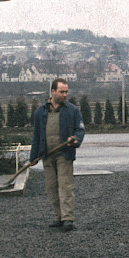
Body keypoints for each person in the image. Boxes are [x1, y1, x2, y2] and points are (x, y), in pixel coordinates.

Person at [30, 78, 85, 232]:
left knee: (65, 186)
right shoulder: (40, 112)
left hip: (64, 154)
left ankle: (68, 218)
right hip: (47, 155)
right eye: (61, 91)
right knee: (51, 187)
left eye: (66, 92)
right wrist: (34, 157)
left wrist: (75, 140)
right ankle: (59, 217)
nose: (64, 95)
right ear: (52, 91)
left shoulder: (72, 110)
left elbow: (80, 130)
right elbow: (36, 135)